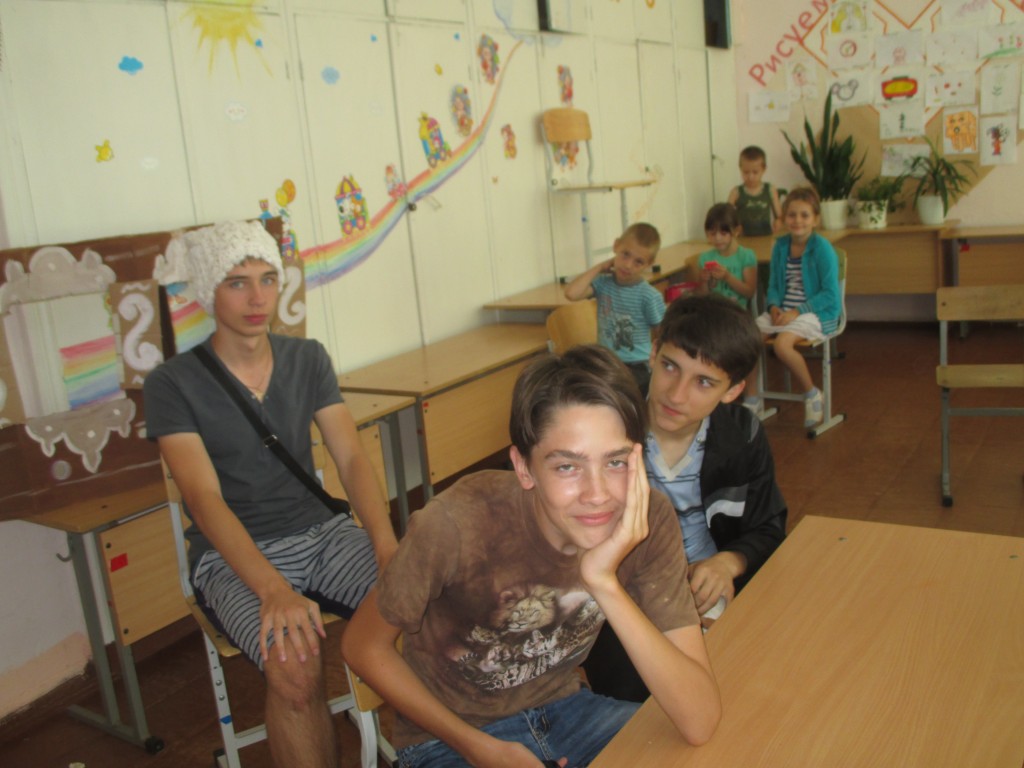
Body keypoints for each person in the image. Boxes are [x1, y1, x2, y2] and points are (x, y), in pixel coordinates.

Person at [342, 345, 722, 768]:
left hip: (566, 712)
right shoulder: (455, 525)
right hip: (449, 736)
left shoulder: (648, 521)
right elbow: (362, 646)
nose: (597, 494)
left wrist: (603, 582)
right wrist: (479, 748)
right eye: (567, 467)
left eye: (615, 462)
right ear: (524, 468)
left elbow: (699, 721)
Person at [143, 220, 399, 768]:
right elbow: (203, 499)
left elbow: (351, 459)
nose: (258, 298)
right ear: (209, 291)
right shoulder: (173, 383)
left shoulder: (307, 358)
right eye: (237, 283)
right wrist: (272, 589)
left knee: (419, 604)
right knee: (293, 664)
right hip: (233, 556)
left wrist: (386, 545)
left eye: (267, 279)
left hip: (325, 535)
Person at [582, 294, 787, 702]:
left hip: (708, 585)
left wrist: (728, 562)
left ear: (733, 390)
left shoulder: (743, 435)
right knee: (642, 701)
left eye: (704, 382)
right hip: (623, 593)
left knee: (757, 678)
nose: (676, 395)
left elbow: (769, 526)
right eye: (670, 367)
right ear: (654, 353)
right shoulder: (605, 424)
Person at [755, 187, 841, 428]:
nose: (797, 221)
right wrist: (773, 306)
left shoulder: (822, 248)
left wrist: (796, 312)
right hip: (784, 311)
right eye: (792, 215)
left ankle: (812, 394)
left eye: (804, 215)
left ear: (816, 219)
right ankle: (752, 400)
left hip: (816, 313)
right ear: (784, 218)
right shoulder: (780, 246)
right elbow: (773, 285)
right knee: (747, 340)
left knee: (782, 345)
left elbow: (830, 294)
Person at [563, 222, 666, 394]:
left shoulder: (648, 296)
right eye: (625, 254)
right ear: (616, 246)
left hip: (637, 366)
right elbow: (571, 293)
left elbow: (662, 333)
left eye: (638, 262)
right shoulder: (604, 284)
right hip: (606, 362)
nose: (628, 265)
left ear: (649, 263)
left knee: (617, 395)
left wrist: (657, 365)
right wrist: (600, 267)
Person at [696, 203, 762, 414]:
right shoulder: (705, 258)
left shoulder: (746, 256)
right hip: (714, 315)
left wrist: (727, 277)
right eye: (712, 233)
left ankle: (752, 396)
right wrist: (704, 281)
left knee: (748, 348)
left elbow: (749, 291)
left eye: (723, 233)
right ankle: (712, 395)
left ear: (736, 231)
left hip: (738, 315)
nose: (717, 238)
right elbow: (703, 296)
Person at [727, 145, 782, 237]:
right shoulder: (736, 192)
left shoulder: (770, 189)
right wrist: (734, 226)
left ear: (764, 170)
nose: (750, 177)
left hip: (766, 238)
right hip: (743, 238)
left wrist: (778, 221)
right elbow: (726, 216)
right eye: (746, 172)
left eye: (755, 172)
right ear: (740, 168)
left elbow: (779, 216)